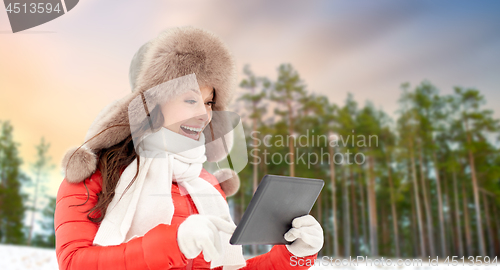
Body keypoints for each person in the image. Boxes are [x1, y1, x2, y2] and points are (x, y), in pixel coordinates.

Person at [54, 26, 323, 270]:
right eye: (191, 99)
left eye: (208, 103)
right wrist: (174, 244)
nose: (204, 115)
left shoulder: (204, 185)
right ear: (153, 102)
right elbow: (74, 263)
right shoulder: (95, 174)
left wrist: (293, 255)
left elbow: (224, 266)